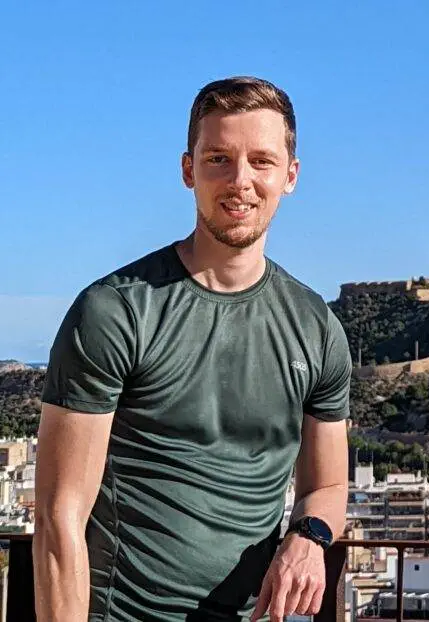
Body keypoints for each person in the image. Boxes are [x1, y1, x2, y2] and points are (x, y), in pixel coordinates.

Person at [33, 76, 351, 622]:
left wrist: (310, 537)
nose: (241, 181)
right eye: (219, 159)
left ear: (291, 176)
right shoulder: (115, 312)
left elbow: (327, 484)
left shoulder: (316, 327)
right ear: (188, 171)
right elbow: (60, 515)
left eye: (261, 161)